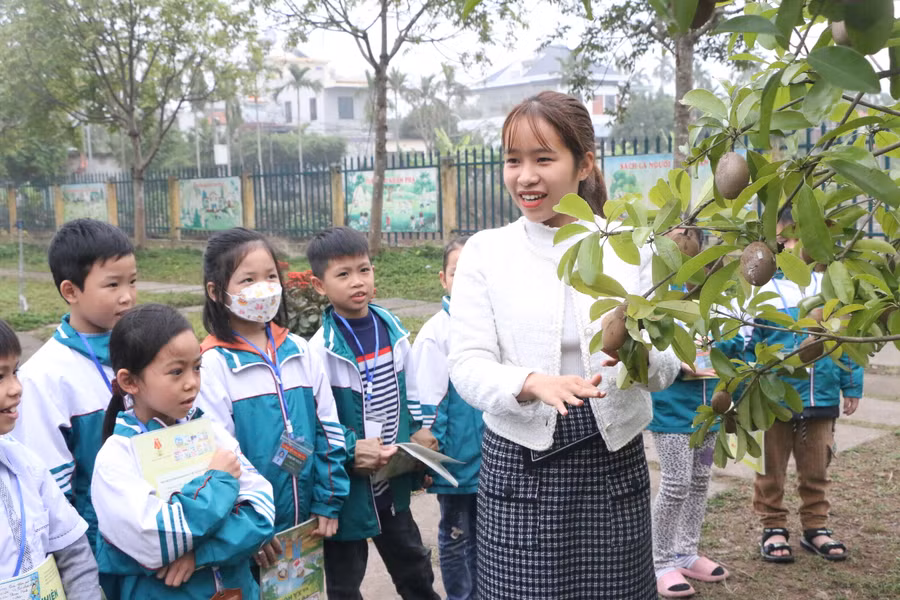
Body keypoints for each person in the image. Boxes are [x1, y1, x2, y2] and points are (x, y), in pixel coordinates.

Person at [448, 91, 681, 599]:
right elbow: (466, 364)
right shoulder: (487, 253)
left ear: (584, 164)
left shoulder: (630, 245)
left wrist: (639, 357)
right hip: (521, 460)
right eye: (513, 160)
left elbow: (667, 366)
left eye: (543, 159)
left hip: (611, 455)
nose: (525, 176)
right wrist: (529, 382)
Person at [91, 304, 276, 599]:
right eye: (176, 371)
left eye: (197, 367)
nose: (192, 382)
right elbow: (156, 540)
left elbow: (262, 511)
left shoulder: (209, 432)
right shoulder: (117, 458)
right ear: (130, 381)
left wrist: (200, 553)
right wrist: (218, 482)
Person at [195, 227, 350, 570]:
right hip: (251, 538)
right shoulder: (211, 365)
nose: (262, 288)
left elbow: (329, 428)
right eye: (247, 280)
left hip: (304, 525)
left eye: (269, 277)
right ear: (216, 292)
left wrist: (328, 499)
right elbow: (219, 458)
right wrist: (247, 528)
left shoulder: (300, 351)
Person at [307, 226, 440, 600]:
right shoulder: (320, 350)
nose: (357, 282)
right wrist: (351, 450)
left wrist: (419, 433)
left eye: (363, 270)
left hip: (390, 482)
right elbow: (322, 421)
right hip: (350, 489)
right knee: (344, 581)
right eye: (343, 274)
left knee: (414, 566)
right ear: (320, 286)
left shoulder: (394, 332)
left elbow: (412, 391)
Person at [13, 218, 137, 557]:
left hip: (159, 537)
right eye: (112, 285)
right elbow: (52, 495)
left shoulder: (145, 354)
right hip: (100, 553)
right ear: (71, 291)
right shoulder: (45, 377)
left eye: (133, 282)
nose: (127, 297)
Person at [748, 209, 863, 563]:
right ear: (777, 242)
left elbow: (846, 339)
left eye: (804, 236)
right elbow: (753, 340)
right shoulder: (765, 286)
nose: (795, 245)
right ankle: (773, 527)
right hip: (776, 398)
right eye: (788, 238)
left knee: (816, 469)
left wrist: (852, 384)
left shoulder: (831, 284)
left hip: (822, 396)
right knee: (771, 470)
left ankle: (816, 527)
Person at [648, 230, 740, 598]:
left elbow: (737, 339)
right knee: (676, 484)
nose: (681, 244)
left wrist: (715, 346)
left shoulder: (717, 294)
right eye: (673, 239)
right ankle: (659, 562)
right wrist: (678, 355)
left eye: (687, 238)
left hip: (709, 409)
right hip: (672, 410)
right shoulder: (658, 292)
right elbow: (647, 343)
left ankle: (686, 552)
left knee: (701, 480)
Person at [0, 318, 101, 599]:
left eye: (15, 372)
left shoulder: (26, 465)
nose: (15, 388)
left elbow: (76, 557)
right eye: (0, 377)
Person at [409, 236, 481, 600]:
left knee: (489, 540)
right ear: (443, 279)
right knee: (456, 537)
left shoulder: (488, 325)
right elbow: (428, 409)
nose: (466, 279)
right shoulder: (437, 334)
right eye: (457, 271)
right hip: (455, 464)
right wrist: (433, 464)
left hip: (491, 461)